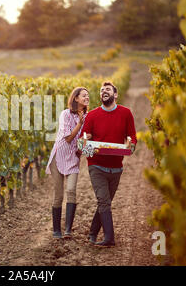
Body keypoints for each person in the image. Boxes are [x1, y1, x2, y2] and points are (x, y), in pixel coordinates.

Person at [78, 81, 137, 247]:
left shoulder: (126, 113)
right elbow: (82, 145)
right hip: (96, 165)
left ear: (115, 95)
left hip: (116, 167)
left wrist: (130, 145)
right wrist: (85, 141)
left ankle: (92, 232)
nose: (104, 91)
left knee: (105, 203)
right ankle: (109, 238)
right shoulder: (92, 116)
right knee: (104, 201)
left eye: (108, 89)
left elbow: (132, 137)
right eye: (102, 90)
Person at [46, 87, 90, 239]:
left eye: (88, 96)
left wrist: (87, 139)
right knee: (58, 195)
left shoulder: (88, 116)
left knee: (71, 191)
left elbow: (86, 138)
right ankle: (56, 230)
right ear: (76, 98)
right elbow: (68, 139)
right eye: (84, 95)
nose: (87, 97)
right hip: (59, 156)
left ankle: (68, 230)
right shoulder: (65, 114)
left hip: (73, 158)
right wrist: (80, 123)